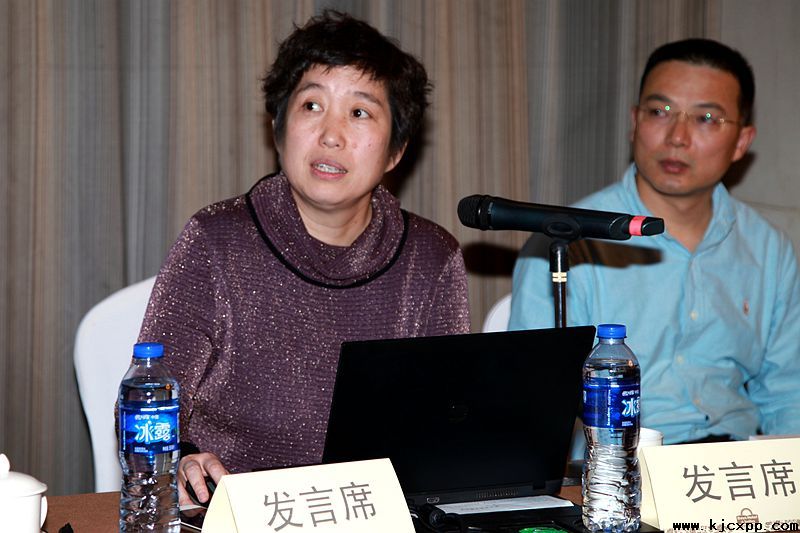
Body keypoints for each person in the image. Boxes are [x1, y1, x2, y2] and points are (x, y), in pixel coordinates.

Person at [138, 10, 470, 505]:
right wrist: (183, 457)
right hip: (236, 513)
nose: (331, 135)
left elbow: (447, 421)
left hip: (375, 513)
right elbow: (148, 401)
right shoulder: (216, 240)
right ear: (278, 128)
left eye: (359, 113)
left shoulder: (431, 258)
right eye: (312, 105)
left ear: (396, 151)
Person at [510, 38, 800, 446]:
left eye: (706, 118)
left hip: (732, 465)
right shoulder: (567, 242)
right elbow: (534, 400)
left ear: (741, 142)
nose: (677, 137)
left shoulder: (768, 250)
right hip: (616, 464)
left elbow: (788, 394)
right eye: (659, 112)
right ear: (634, 121)